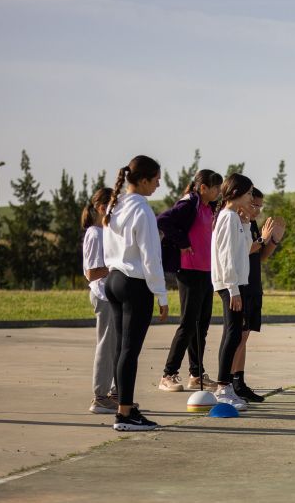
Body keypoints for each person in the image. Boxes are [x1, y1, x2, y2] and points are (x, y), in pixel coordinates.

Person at [102, 155, 169, 431]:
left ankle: (124, 407)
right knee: (130, 351)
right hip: (134, 284)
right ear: (142, 181)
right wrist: (162, 295)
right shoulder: (142, 210)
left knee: (122, 349)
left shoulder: (114, 204)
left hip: (114, 279)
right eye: (155, 179)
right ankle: (125, 414)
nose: (158, 184)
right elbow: (151, 258)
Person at [156, 169, 223, 393]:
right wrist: (183, 242)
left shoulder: (208, 206)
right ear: (203, 187)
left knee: (201, 326)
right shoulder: (190, 203)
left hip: (206, 272)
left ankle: (196, 374)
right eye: (215, 188)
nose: (218, 192)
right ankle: (168, 374)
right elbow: (163, 220)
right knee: (188, 324)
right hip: (189, 270)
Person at [230, 188, 286, 403]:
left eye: (260, 207)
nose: (257, 210)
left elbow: (260, 257)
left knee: (245, 336)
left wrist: (273, 241)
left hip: (254, 284)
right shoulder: (235, 222)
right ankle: (230, 382)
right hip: (241, 285)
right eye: (254, 205)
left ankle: (239, 381)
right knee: (238, 337)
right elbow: (241, 251)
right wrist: (262, 240)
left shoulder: (250, 224)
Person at [210, 173, 255, 411]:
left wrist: (247, 222)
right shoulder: (227, 217)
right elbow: (226, 255)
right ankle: (223, 387)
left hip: (237, 282)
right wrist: (233, 289)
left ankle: (225, 385)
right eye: (248, 193)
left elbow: (245, 248)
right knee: (232, 334)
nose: (250, 198)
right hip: (230, 284)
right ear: (237, 193)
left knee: (236, 334)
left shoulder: (235, 218)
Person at [81, 187, 118, 414]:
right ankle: (99, 396)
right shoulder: (95, 233)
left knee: (115, 346)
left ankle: (114, 393)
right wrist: (116, 267)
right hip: (102, 294)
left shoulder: (106, 231)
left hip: (112, 294)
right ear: (101, 207)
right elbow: (92, 273)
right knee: (106, 346)